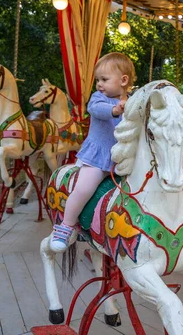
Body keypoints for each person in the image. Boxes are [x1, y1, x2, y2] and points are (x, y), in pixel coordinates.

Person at [50, 52, 136, 252]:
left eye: (104, 79)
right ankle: (66, 226)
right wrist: (115, 110)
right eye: (98, 79)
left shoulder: (133, 101)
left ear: (123, 80)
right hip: (98, 158)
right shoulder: (99, 98)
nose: (99, 84)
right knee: (84, 189)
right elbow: (95, 109)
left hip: (123, 158)